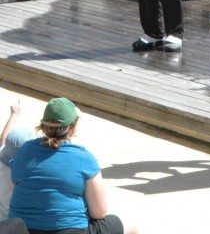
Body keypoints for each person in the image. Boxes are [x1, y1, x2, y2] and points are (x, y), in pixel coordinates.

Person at [9, 98, 138, 234]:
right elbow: (99, 212)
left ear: (42, 125)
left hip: (23, 230)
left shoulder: (24, 150)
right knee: (130, 227)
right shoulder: (83, 157)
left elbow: (15, 188)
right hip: (70, 230)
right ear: (73, 127)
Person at [0, 104, 33, 222]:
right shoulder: (26, 175)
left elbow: (3, 141)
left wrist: (13, 116)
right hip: (10, 223)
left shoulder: (2, 159)